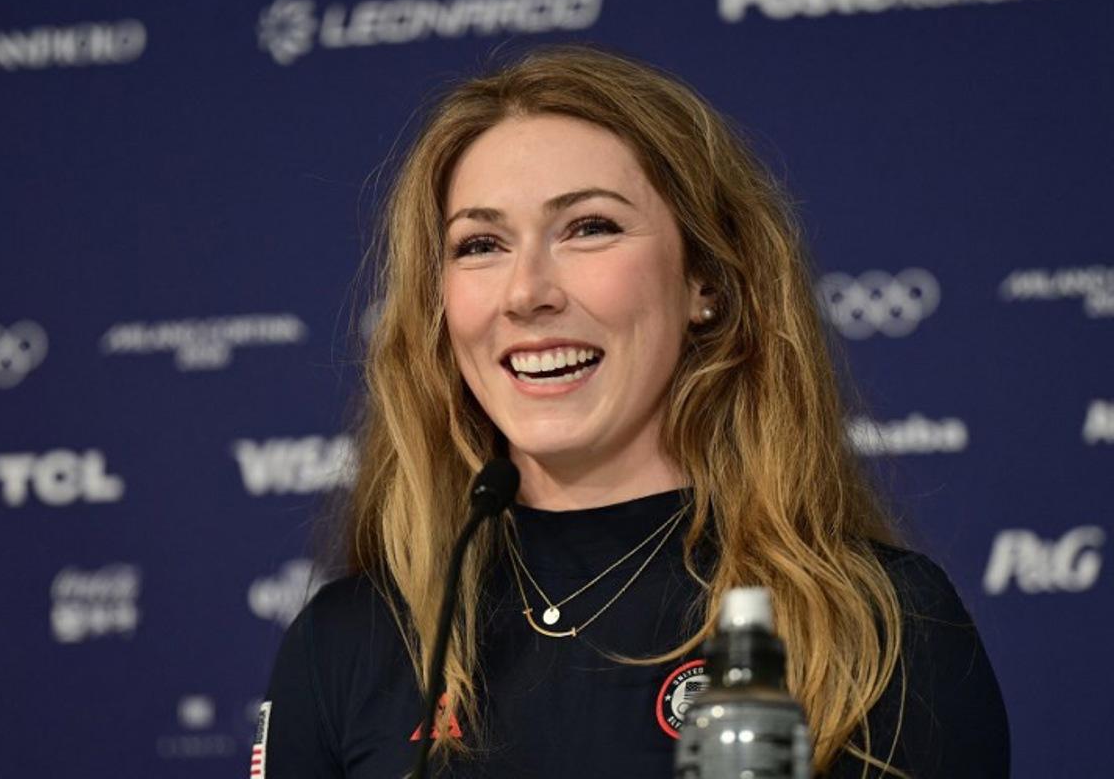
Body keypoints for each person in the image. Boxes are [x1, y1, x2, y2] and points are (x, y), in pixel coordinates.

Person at [255, 45, 1009, 778]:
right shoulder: (346, 642)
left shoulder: (877, 624)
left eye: (589, 228)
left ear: (706, 282)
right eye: (480, 243)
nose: (526, 292)